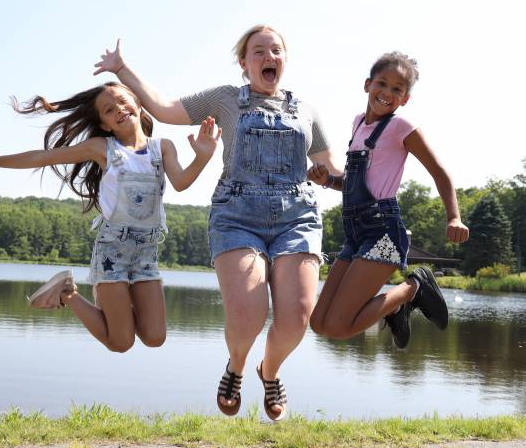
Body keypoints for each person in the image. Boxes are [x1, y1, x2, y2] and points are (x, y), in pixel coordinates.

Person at [93, 26, 342, 421]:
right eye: (258, 51)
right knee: (247, 317)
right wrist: (122, 69)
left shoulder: (307, 111)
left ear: (284, 59)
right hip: (237, 215)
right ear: (244, 64)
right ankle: (237, 366)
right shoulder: (225, 99)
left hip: (298, 217)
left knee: (296, 317)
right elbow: (162, 107)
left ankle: (270, 370)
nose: (268, 56)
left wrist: (346, 177)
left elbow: (333, 171)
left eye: (275, 50)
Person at [0, 82, 220, 353]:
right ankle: (67, 293)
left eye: (122, 101)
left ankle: (110, 303)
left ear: (139, 104)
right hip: (112, 251)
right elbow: (43, 157)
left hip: (146, 252)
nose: (118, 109)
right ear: (105, 125)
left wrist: (202, 157)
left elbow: (180, 182)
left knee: (155, 337)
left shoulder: (163, 148)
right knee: (121, 342)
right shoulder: (102, 148)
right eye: (109, 110)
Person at [307, 52, 470, 349]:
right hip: (356, 234)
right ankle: (395, 306)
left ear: (405, 98)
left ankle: (414, 287)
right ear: (367, 84)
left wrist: (453, 217)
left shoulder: (401, 127)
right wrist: (328, 180)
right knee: (319, 324)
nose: (387, 93)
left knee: (340, 326)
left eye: (397, 89)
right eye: (382, 83)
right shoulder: (358, 124)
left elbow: (440, 172)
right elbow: (356, 184)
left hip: (384, 233)